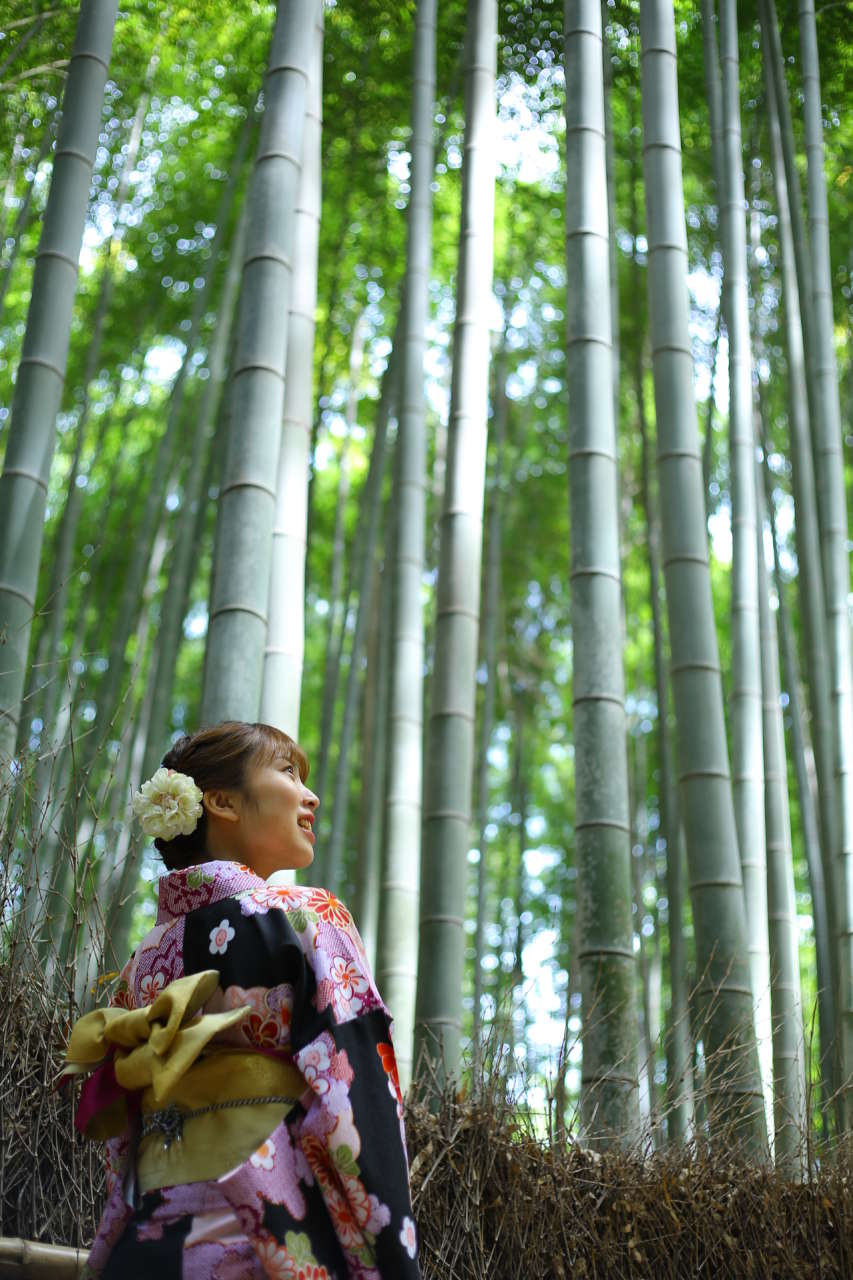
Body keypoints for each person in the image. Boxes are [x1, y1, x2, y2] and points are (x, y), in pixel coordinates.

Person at [65, 721, 420, 1279]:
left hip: (146, 1246)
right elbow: (356, 1101)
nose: (311, 795)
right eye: (287, 772)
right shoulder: (306, 917)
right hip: (265, 1242)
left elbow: (123, 1143)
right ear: (222, 802)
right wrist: (392, 1260)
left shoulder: (142, 962)